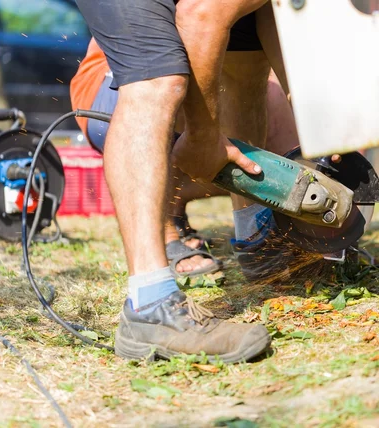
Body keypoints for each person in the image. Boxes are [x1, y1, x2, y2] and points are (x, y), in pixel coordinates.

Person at [73, 0, 292, 363]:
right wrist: (204, 137)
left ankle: (260, 242)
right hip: (112, 86)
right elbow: (200, 13)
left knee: (247, 68)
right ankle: (150, 304)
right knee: (156, 82)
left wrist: (320, 122)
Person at [70, 38, 301, 281]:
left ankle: (247, 227)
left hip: (192, 70)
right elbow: (195, 34)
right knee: (178, 79)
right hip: (118, 91)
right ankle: (165, 235)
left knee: (261, 90)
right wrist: (204, 134)